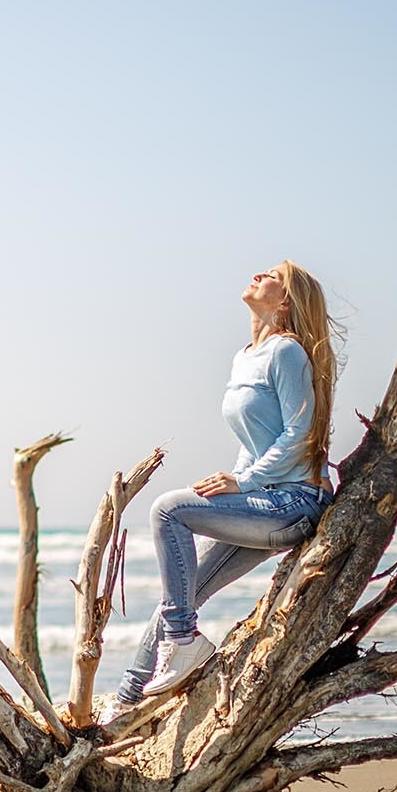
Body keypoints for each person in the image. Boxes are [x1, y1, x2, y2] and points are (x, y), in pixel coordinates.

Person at [107, 261, 342, 717]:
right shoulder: (244, 356)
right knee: (182, 592)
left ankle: (183, 642)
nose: (259, 273)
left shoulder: (287, 352)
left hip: (296, 502)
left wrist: (244, 482)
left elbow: (301, 432)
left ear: (286, 300)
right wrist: (233, 485)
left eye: (272, 274)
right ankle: (126, 703)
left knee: (168, 510)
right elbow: (252, 440)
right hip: (264, 501)